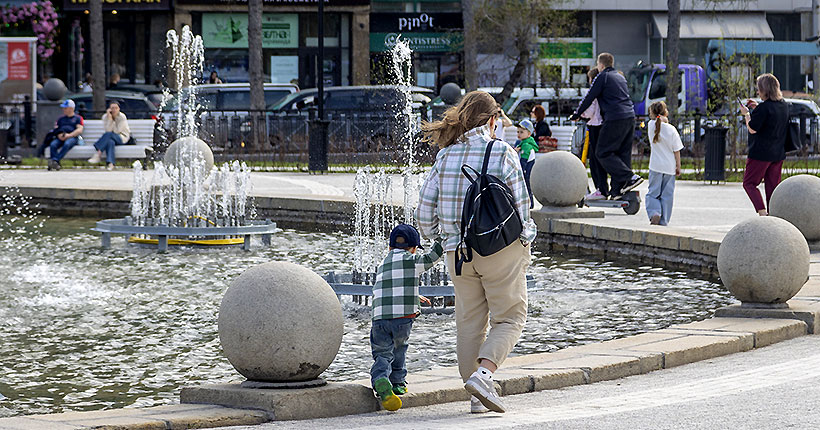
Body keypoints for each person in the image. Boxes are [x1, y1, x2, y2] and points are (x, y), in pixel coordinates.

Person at [416, 91, 535, 414]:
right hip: (499, 249)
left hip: (459, 253)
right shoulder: (502, 152)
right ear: (492, 120)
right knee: (510, 316)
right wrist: (525, 241)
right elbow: (523, 207)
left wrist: (442, 240)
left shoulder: (445, 155)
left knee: (469, 324)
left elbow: (424, 214)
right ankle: (484, 376)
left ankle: (475, 394)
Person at [370, 224, 443, 412]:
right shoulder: (412, 260)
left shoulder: (383, 263)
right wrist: (443, 239)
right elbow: (431, 258)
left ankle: (380, 379)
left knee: (382, 352)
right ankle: (398, 382)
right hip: (402, 318)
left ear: (389, 247)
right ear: (413, 248)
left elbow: (388, 287)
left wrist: (413, 294)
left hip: (379, 318)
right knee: (400, 347)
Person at [571, 52, 643, 199]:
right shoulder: (619, 76)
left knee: (602, 152)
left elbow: (589, 97)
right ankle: (618, 190)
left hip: (615, 118)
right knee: (622, 154)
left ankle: (630, 177)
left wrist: (577, 114)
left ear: (601, 64)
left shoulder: (602, 77)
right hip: (630, 117)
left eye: (598, 64)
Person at [739, 73, 789, 216]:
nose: (757, 92)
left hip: (760, 153)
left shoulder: (764, 108)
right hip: (778, 153)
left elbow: (752, 129)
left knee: (749, 183)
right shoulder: (783, 105)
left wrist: (747, 114)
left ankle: (762, 212)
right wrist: (757, 107)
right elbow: (769, 118)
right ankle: (774, 214)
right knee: (773, 186)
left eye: (758, 89)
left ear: (765, 90)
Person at [645, 101, 683, 226]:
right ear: (665, 112)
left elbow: (657, 123)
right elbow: (676, 150)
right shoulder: (671, 129)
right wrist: (678, 166)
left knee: (653, 193)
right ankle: (664, 220)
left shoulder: (651, 126)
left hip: (655, 166)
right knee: (667, 195)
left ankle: (654, 212)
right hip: (669, 167)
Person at [581, 68, 607, 200]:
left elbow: (589, 111)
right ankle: (602, 188)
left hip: (594, 125)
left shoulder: (593, 92)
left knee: (594, 158)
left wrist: (581, 114)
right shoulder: (604, 91)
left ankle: (600, 189)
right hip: (602, 125)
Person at [88, 102, 130, 171]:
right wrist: (110, 119)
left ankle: (98, 153)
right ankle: (111, 164)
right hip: (110, 137)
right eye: (112, 108)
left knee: (109, 135)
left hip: (122, 137)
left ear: (119, 109)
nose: (114, 110)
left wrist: (112, 120)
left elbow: (117, 131)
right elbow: (107, 130)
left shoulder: (122, 117)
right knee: (110, 142)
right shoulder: (105, 117)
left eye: (116, 108)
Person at [47, 99, 84, 171]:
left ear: (71, 108)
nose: (63, 109)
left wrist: (69, 135)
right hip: (61, 137)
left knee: (67, 144)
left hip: (72, 137)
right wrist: (59, 135)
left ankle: (55, 161)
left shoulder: (78, 118)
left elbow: (79, 130)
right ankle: (55, 163)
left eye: (65, 108)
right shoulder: (61, 119)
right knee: (53, 144)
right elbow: (56, 129)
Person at [514, 119, 539, 208]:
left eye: (521, 132)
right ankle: (529, 204)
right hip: (528, 170)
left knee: (526, 188)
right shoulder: (523, 143)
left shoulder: (526, 146)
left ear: (529, 134)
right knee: (527, 188)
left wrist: (520, 170)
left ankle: (529, 204)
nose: (519, 134)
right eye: (517, 132)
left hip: (526, 170)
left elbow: (523, 161)